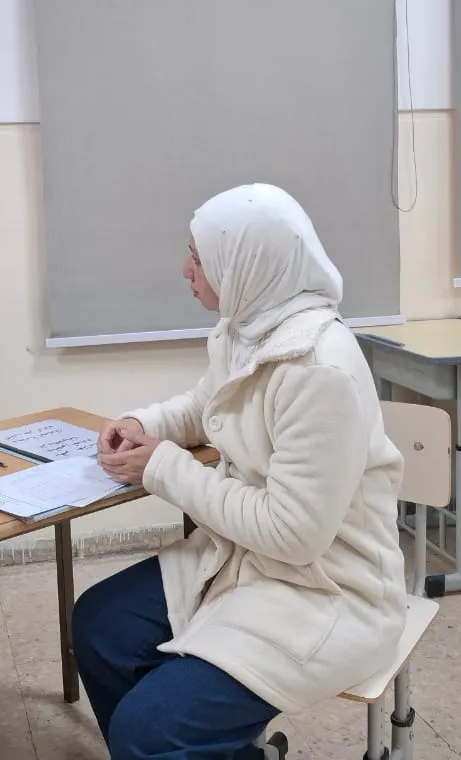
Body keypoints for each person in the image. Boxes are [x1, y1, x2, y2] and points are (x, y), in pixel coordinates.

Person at [74, 184, 408, 760]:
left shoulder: (318, 369)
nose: (186, 270)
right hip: (243, 558)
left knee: (146, 730)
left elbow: (293, 534)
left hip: (325, 591)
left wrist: (162, 467)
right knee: (100, 625)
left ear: (246, 263)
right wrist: (142, 422)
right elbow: (206, 405)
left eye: (199, 257)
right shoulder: (246, 328)